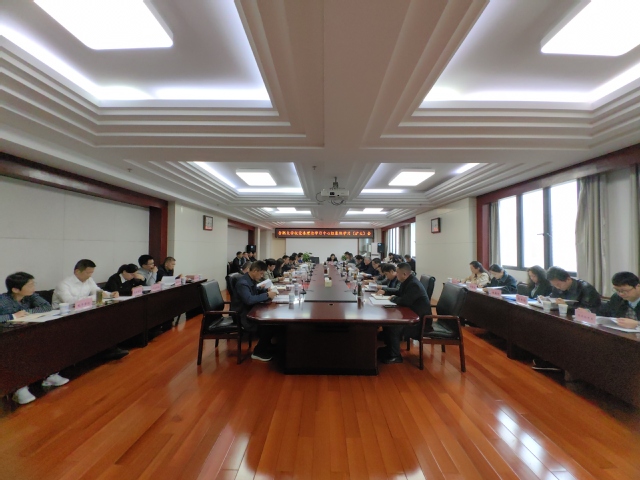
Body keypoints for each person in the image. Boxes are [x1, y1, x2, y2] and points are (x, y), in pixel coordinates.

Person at [0, 272, 69, 404]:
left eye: (33, 284)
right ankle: (19, 387)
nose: (33, 287)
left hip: (26, 332)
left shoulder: (31, 296)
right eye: (30, 285)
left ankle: (49, 375)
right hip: (7, 338)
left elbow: (46, 307)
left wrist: (27, 312)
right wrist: (13, 316)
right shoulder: (2, 301)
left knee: (48, 342)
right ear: (15, 289)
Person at [53, 260, 129, 361]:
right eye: (88, 272)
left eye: (92, 272)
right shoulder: (64, 284)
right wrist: (93, 297)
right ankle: (104, 351)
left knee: (108, 319)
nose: (90, 275)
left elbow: (98, 291)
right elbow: (70, 302)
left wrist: (110, 294)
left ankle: (109, 349)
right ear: (77, 271)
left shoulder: (89, 280)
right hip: (62, 317)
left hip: (82, 312)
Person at [380, 263, 431, 364]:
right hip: (412, 313)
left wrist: (393, 298)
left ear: (404, 274)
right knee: (388, 322)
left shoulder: (414, 284)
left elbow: (405, 301)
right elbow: (400, 293)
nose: (396, 274)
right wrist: (386, 292)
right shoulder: (407, 281)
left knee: (393, 326)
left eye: (397, 272)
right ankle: (390, 349)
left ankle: (395, 356)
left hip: (420, 320)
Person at [231, 261, 278, 361]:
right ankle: (258, 352)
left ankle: (266, 345)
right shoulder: (242, 283)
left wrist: (264, 290)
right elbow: (249, 300)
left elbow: (254, 292)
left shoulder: (250, 280)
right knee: (269, 325)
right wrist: (267, 295)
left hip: (249, 311)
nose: (262, 276)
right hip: (241, 315)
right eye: (261, 273)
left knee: (272, 323)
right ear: (255, 271)